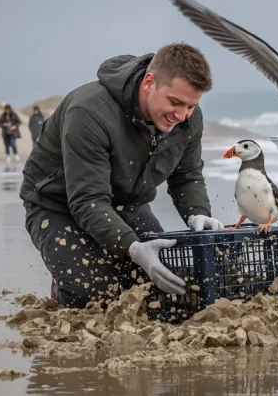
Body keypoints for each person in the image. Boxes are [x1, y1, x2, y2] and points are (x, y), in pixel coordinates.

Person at [20, 42, 224, 308]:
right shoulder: (89, 112)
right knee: (94, 296)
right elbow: (88, 201)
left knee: (163, 289)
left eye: (190, 106)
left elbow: (187, 176)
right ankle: (65, 284)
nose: (181, 115)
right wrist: (134, 247)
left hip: (127, 204)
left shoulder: (188, 120)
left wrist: (198, 212)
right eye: (175, 102)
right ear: (150, 82)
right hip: (57, 206)